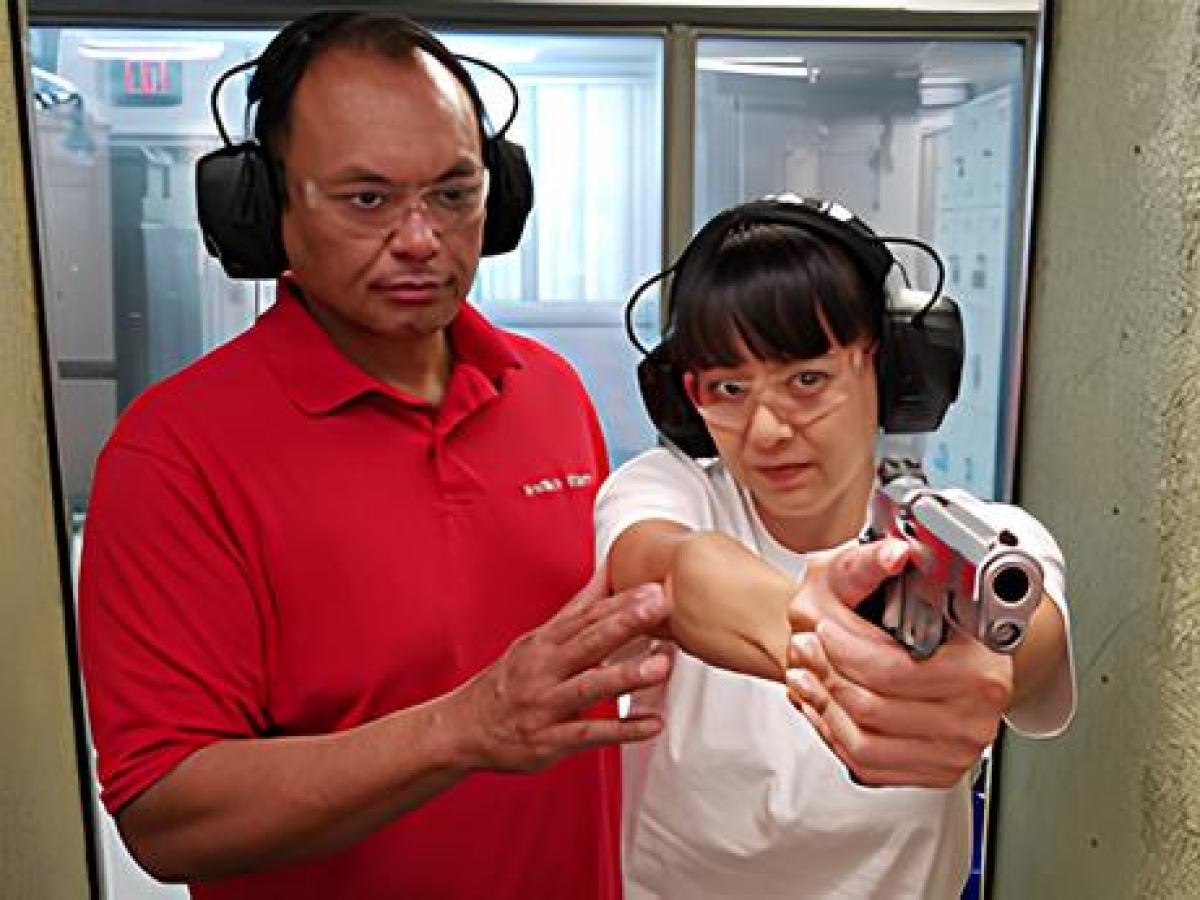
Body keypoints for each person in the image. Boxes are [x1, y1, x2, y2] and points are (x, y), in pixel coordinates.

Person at [77, 12, 680, 899]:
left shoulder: (549, 392)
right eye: (366, 199)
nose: (419, 240)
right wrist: (463, 728)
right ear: (265, 208)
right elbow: (166, 816)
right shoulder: (173, 454)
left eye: (452, 193)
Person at [595, 195, 1076, 899]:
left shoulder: (967, 534)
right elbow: (670, 571)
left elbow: (1028, 636)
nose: (765, 431)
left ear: (888, 367)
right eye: (728, 388)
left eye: (807, 380)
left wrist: (987, 667)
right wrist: (817, 632)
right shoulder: (666, 490)